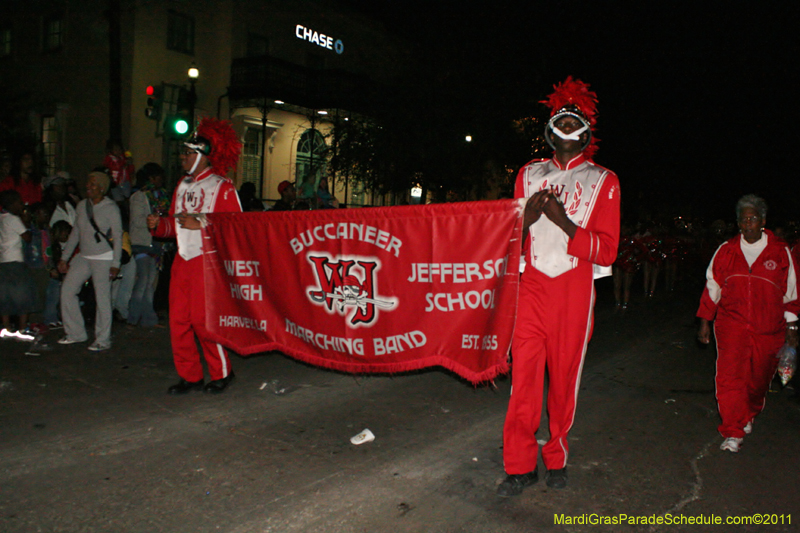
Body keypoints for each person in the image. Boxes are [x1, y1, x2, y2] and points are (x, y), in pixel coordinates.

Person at [498, 77, 620, 496]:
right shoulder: (528, 173)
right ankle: (518, 465)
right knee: (524, 380)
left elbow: (606, 251)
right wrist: (528, 219)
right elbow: (508, 235)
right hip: (529, 286)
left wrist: (563, 219)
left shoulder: (605, 180)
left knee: (564, 380)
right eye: (560, 121)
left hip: (573, 289)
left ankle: (556, 455)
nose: (567, 129)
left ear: (587, 132)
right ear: (549, 128)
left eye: (576, 121)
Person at [697, 194, 799, 453]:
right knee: (730, 379)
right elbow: (713, 287)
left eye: (752, 219)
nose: (747, 225)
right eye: (743, 221)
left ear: (763, 221)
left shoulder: (780, 251)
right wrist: (705, 320)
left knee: (759, 380)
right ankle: (733, 430)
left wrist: (792, 327)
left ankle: (749, 411)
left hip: (769, 328)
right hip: (732, 326)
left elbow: (792, 292)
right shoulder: (727, 250)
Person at [147, 117, 242, 395]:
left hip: (207, 263)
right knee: (177, 321)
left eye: (189, 153)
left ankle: (222, 372)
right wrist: (158, 225)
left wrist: (202, 224)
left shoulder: (221, 186)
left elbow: (237, 228)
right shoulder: (183, 185)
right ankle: (189, 376)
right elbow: (174, 225)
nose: (183, 158)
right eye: (183, 152)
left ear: (202, 156)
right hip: (182, 261)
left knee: (205, 322)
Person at [57, 171, 123, 351]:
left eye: (93, 184)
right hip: (84, 256)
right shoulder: (82, 206)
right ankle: (76, 333)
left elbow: (117, 237)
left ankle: (103, 339)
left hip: (103, 258)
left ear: (102, 188)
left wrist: (116, 263)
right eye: (88, 183)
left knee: (102, 299)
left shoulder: (111, 208)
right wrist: (65, 258)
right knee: (67, 290)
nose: (88, 186)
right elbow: (75, 234)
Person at [128, 163, 169, 327]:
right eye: (158, 177)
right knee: (143, 281)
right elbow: (137, 221)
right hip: (142, 242)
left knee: (150, 284)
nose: (161, 180)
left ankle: (146, 319)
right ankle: (134, 317)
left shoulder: (160, 196)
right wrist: (154, 220)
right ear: (151, 178)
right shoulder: (139, 196)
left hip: (155, 244)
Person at [0, 190, 36, 335]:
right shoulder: (13, 219)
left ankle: (6, 327)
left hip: (3, 261)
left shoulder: (1, 218)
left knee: (5, 296)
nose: (22, 205)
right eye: (20, 203)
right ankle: (22, 328)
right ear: (12, 204)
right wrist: (26, 221)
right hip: (15, 261)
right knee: (23, 295)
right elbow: (27, 237)